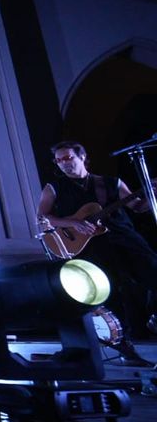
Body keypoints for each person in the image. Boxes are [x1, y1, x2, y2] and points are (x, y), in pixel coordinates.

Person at [37, 140, 155, 366]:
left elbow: (137, 207)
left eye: (68, 158)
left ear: (82, 157)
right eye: (59, 160)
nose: (64, 164)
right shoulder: (54, 187)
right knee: (112, 293)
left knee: (152, 270)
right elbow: (42, 217)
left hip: (124, 238)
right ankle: (124, 346)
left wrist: (151, 195)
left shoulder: (110, 183)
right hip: (92, 247)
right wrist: (73, 222)